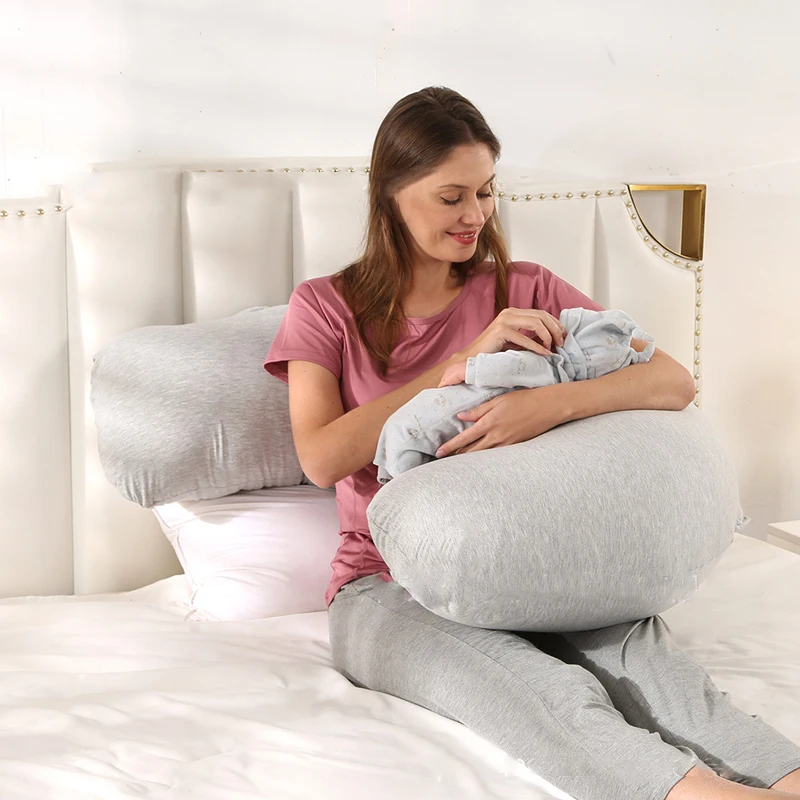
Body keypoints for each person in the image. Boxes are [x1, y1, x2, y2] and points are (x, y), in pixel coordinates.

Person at [263, 86, 800, 800]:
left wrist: (546, 406)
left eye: (486, 192)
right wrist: (451, 371)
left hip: (541, 563)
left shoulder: (525, 287)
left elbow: (672, 380)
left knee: (665, 679)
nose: (476, 215)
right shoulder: (325, 307)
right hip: (385, 586)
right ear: (390, 193)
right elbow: (324, 456)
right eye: (452, 196)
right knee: (539, 694)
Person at [373, 306, 656, 483]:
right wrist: (468, 366)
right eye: (450, 203)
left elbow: (674, 379)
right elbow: (508, 366)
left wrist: (555, 404)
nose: (474, 217)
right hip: (429, 421)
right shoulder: (544, 364)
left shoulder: (542, 297)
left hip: (442, 435)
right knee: (415, 442)